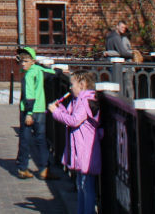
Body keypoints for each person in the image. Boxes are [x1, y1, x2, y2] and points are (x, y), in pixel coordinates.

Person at [50, 69, 103, 213]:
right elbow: (69, 115)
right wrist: (59, 108)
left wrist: (55, 113)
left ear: (82, 84)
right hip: (80, 149)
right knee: (81, 185)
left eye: (72, 84)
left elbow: (74, 121)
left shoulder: (85, 101)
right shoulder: (78, 100)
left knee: (86, 186)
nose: (70, 88)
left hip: (86, 149)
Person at [16, 47, 52, 179]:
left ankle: (23, 168)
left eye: (25, 61)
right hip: (41, 110)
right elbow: (50, 72)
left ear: (32, 61)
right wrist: (59, 71)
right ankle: (44, 169)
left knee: (25, 139)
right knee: (41, 140)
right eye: (21, 61)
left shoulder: (29, 75)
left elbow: (29, 95)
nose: (23, 64)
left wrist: (29, 113)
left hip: (29, 111)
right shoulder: (39, 70)